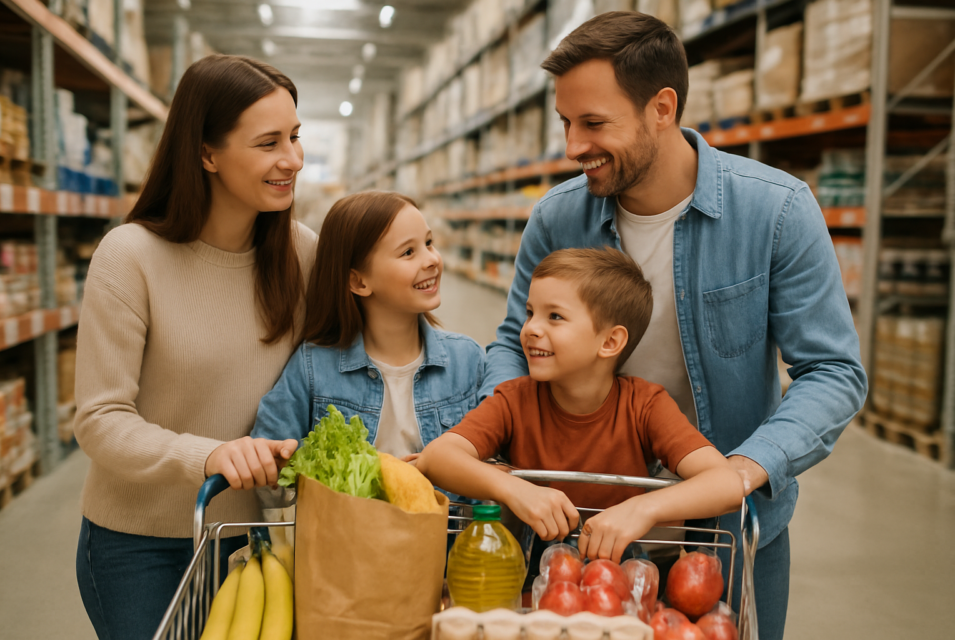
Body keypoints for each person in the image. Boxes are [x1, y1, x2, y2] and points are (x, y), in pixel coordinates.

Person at [479, 12, 867, 639]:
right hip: (577, 528)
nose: (573, 146)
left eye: (594, 123)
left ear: (662, 108)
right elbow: (509, 343)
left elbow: (833, 372)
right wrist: (498, 433)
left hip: (725, 539)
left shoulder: (776, 211)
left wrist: (743, 468)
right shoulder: (556, 218)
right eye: (567, 123)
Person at [73, 55, 314, 639]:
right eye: (268, 143)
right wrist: (208, 455)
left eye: (295, 136)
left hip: (255, 539)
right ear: (208, 153)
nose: (292, 159)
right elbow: (100, 420)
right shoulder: (129, 258)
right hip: (138, 548)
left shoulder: (302, 253)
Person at [418, 247, 743, 561]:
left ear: (610, 342)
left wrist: (643, 509)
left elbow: (726, 484)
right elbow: (439, 456)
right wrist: (515, 490)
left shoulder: (645, 406)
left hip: (615, 576)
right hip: (524, 571)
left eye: (554, 316)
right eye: (530, 313)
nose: (531, 329)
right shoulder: (514, 400)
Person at [249, 191, 485, 459]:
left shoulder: (469, 361)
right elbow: (268, 472)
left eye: (429, 243)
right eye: (408, 252)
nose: (432, 259)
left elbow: (496, 463)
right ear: (359, 282)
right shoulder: (313, 369)